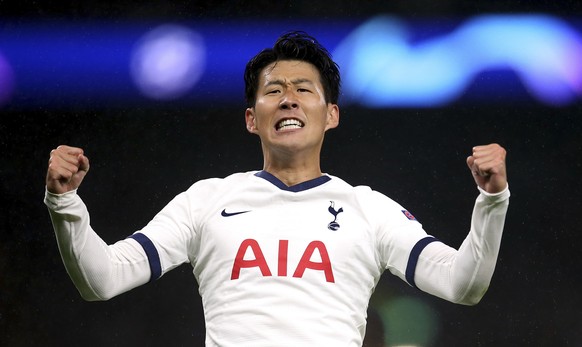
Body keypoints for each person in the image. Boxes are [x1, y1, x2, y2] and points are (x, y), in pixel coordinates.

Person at [44, 31, 510, 346]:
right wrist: (64, 203)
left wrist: (492, 201)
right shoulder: (206, 200)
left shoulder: (368, 209)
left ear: (332, 114)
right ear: (252, 119)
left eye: (304, 89)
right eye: (273, 90)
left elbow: (461, 284)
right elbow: (101, 280)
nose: (288, 97)